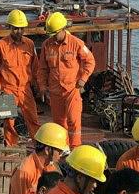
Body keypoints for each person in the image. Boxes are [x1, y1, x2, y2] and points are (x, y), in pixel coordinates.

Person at [36, 12, 95, 149]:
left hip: (72, 90)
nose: (53, 37)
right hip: (55, 91)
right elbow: (42, 69)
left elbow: (90, 61)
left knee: (74, 121)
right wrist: (43, 87)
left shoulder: (76, 43)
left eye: (55, 33)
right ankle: (62, 147)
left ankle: (75, 147)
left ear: (62, 29)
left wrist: (83, 80)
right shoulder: (47, 45)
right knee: (58, 123)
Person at [0, 9, 41, 146]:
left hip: (25, 89)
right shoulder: (0, 45)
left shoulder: (29, 44)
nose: (19, 32)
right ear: (10, 28)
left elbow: (35, 67)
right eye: (16, 29)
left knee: (33, 119)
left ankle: (38, 145)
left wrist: (38, 86)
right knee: (8, 121)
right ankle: (11, 145)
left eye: (21, 29)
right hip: (8, 89)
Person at [8, 122, 67, 194]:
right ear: (47, 150)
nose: (60, 156)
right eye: (60, 151)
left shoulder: (51, 166)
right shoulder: (24, 172)